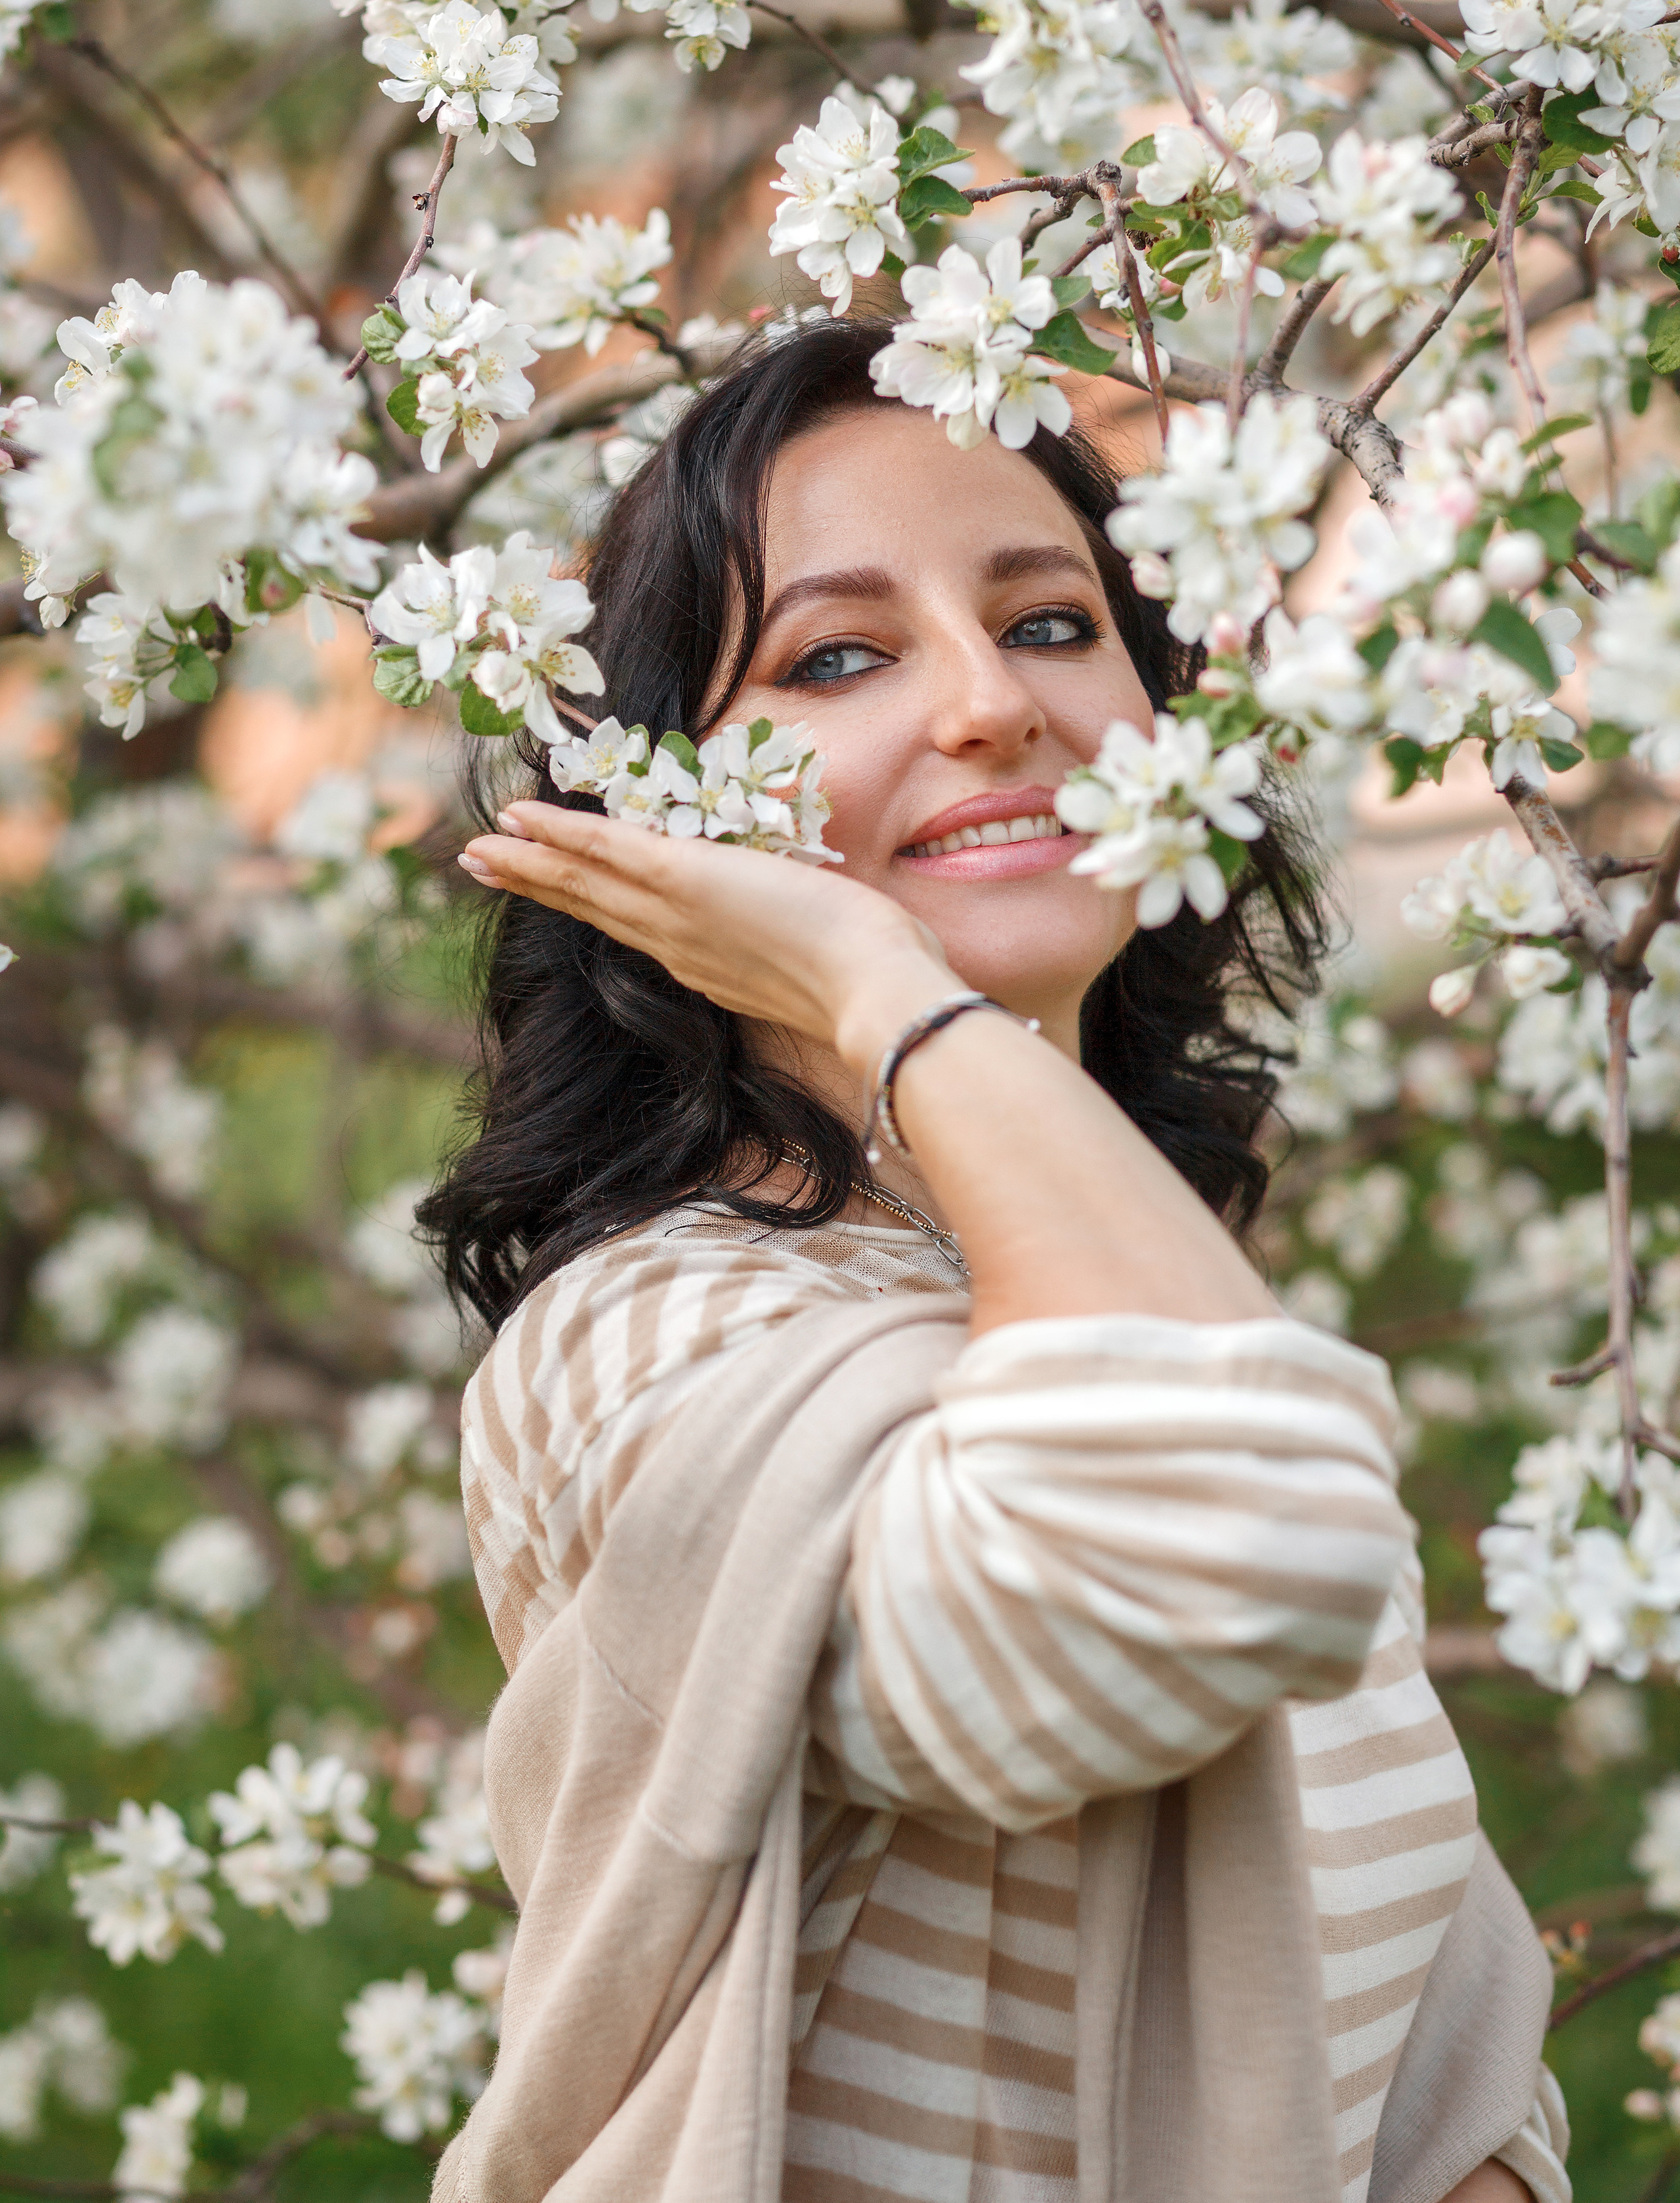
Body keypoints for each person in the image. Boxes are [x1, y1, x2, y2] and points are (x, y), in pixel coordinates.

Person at [426, 318, 1568, 2203]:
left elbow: (1434, 2042)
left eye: (1050, 622)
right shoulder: (651, 1344)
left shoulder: (1150, 1288)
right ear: (659, 823)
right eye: (840, 657)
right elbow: (1211, 1552)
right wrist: (885, 1000)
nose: (988, 705)